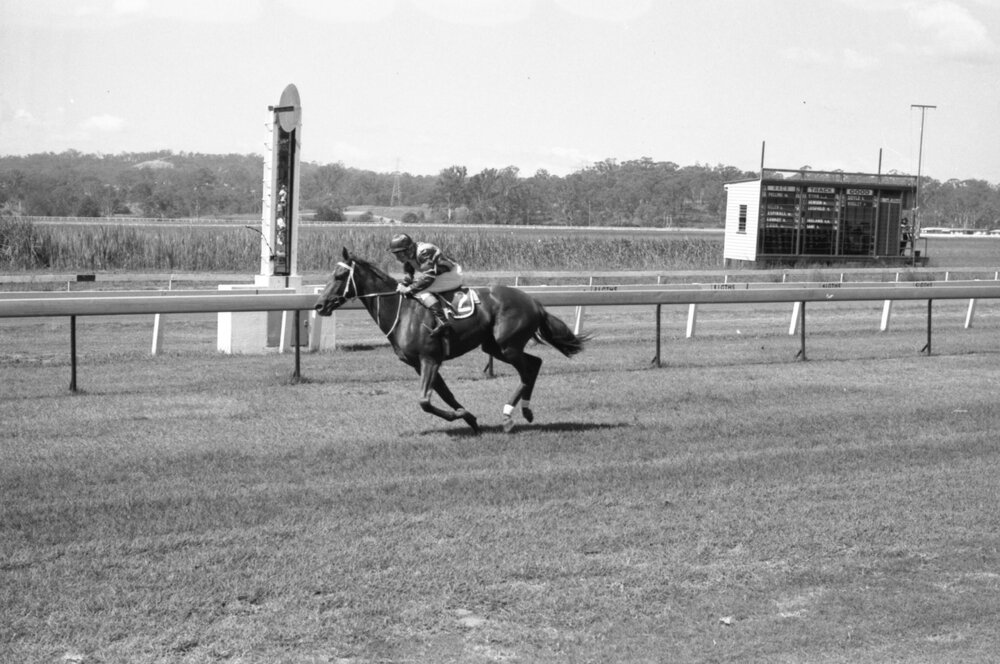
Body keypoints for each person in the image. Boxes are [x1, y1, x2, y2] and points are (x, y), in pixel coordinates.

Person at [388, 233, 464, 337]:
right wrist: (404, 284)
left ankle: (443, 321)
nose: (398, 258)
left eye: (399, 254)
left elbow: (429, 277)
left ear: (408, 250)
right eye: (396, 254)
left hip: (452, 274)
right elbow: (409, 273)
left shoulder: (424, 251)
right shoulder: (410, 255)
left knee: (420, 290)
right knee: (417, 287)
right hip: (440, 275)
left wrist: (408, 289)